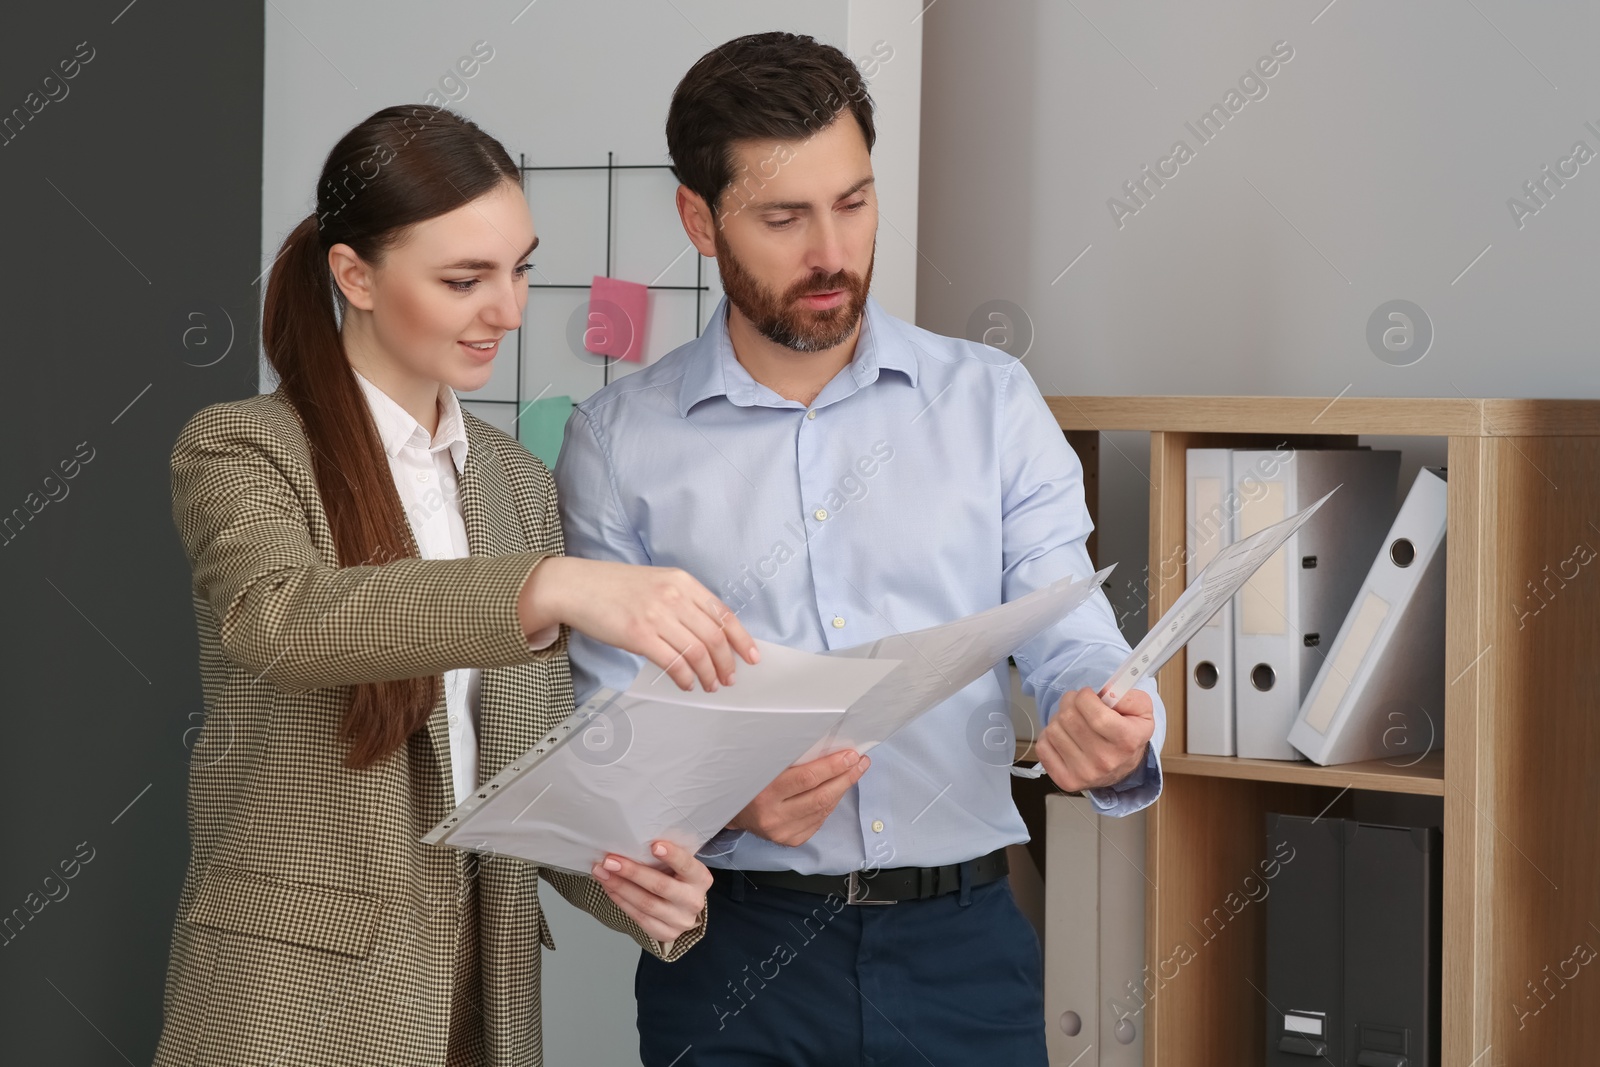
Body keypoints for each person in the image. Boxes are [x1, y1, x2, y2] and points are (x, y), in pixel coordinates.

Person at [553, 33, 1168, 1066]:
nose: (830, 250)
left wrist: (1103, 714)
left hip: (964, 951)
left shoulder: (990, 402)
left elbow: (1068, 627)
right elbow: (610, 730)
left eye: (853, 202)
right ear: (699, 220)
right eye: (783, 217)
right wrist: (730, 802)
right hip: (732, 961)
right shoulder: (618, 443)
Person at [154, 105, 759, 1067]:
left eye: (519, 268)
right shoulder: (241, 446)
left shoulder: (517, 480)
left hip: (483, 1003)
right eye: (464, 279)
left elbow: (518, 766)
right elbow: (278, 620)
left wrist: (631, 878)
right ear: (354, 275)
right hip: (294, 1009)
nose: (510, 310)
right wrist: (547, 586)